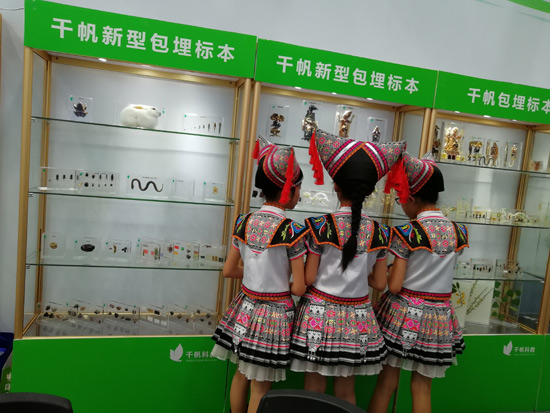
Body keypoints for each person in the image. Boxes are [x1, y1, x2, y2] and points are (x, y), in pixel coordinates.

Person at [289, 129, 407, 404]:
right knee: (346, 393)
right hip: (357, 319)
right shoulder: (380, 232)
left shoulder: (320, 226)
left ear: (335, 186)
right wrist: (360, 276)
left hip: (318, 316)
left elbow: (309, 278)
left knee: (313, 391)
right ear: (369, 192)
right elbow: (380, 283)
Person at [211, 136, 308, 413]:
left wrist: (255, 275)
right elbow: (299, 288)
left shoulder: (243, 221)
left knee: (241, 374)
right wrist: (279, 280)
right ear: (289, 189)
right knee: (261, 386)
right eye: (299, 188)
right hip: (274, 315)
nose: (299, 194)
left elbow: (229, 270)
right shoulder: (292, 230)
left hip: (245, 308)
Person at [368, 152, 469, 413]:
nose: (401, 205)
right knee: (422, 388)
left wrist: (385, 273)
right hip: (438, 317)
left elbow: (395, 286)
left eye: (401, 199)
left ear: (412, 198)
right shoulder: (458, 231)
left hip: (404, 315)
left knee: (386, 383)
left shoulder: (408, 232)